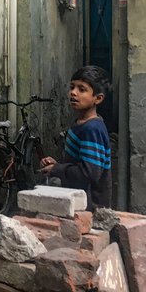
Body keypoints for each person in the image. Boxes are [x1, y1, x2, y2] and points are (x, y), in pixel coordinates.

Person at [40, 65, 112, 210]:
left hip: (91, 206)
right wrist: (56, 165)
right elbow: (78, 162)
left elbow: (89, 173)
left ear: (98, 98)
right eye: (72, 87)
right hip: (79, 199)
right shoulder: (80, 124)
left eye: (82, 89)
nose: (73, 93)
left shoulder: (92, 129)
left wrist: (57, 169)